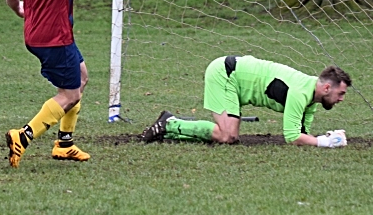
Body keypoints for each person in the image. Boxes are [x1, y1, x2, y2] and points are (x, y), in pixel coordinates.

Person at [4, 0, 139, 168]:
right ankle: (23, 136)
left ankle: (64, 145)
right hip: (54, 36)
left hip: (38, 33)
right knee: (70, 94)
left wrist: (21, 9)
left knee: (81, 77)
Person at [139, 55, 351, 148]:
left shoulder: (311, 100)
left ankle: (171, 130)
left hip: (236, 78)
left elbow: (302, 136)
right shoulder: (299, 92)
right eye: (340, 94)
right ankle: (169, 123)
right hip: (225, 73)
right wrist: (326, 142)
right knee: (227, 136)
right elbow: (293, 137)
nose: (341, 99)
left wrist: (326, 137)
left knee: (228, 137)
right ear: (326, 88)